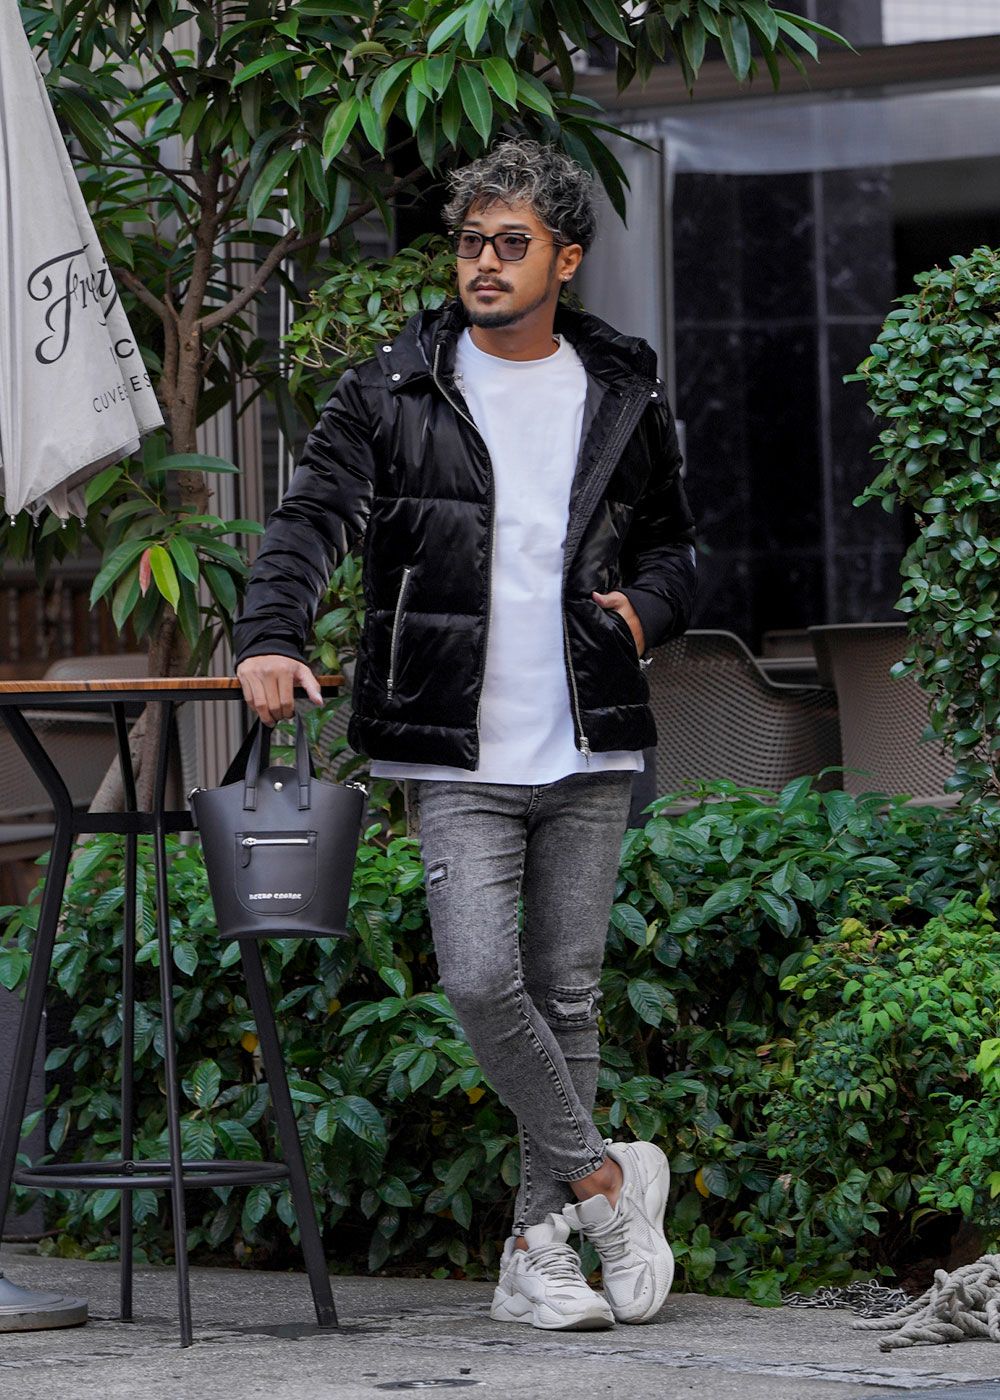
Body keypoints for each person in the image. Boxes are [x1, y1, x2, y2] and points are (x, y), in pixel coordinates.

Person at [234, 137, 697, 1331]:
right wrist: (270, 632)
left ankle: (533, 1253)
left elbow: (675, 545)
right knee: (484, 979)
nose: (483, 262)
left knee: (568, 996)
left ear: (565, 260)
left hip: (588, 737)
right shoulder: (395, 387)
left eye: (510, 243)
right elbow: (311, 514)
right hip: (453, 743)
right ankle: (606, 1184)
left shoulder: (622, 386)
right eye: (470, 242)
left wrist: (644, 611)